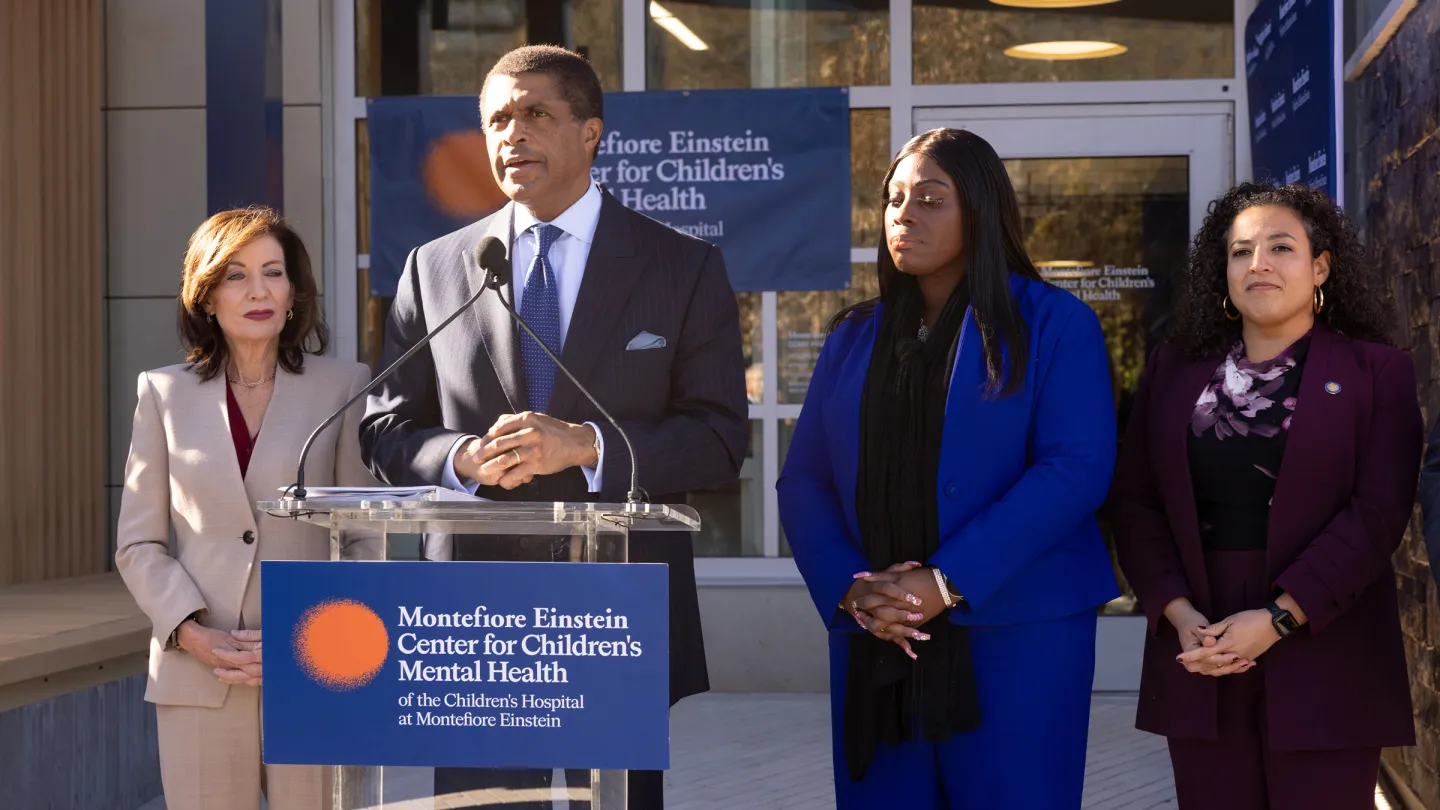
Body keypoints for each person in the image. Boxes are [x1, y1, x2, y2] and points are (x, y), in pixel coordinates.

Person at [359, 45, 747, 809]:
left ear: (591, 131)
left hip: (615, 612)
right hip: (473, 620)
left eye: (535, 114)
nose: (512, 135)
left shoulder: (682, 267)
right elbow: (383, 427)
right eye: (497, 119)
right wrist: (462, 456)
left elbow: (717, 437)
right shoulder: (435, 269)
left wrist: (589, 447)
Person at [777, 128, 1119, 809]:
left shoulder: (1054, 324)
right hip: (878, 634)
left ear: (982, 211)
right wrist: (853, 591)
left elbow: (1075, 468)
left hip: (1018, 635)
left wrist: (946, 580)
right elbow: (805, 479)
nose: (904, 214)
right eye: (894, 198)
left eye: (931, 198)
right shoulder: (853, 336)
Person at [1110, 182, 1418, 809]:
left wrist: (1279, 618)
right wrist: (1178, 616)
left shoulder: (1376, 372)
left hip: (1327, 640)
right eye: (1240, 251)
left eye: (1281, 247)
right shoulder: (1174, 369)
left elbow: (1378, 514)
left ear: (1320, 266)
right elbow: (1135, 501)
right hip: (1202, 643)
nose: (1259, 264)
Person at [115, 207, 378, 810]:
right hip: (199, 671)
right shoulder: (162, 393)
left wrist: (304, 637)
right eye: (235, 275)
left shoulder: (345, 386)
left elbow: (363, 539)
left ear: (294, 291)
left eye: (273, 272)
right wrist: (189, 632)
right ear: (206, 297)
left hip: (317, 670)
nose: (258, 290)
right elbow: (139, 544)